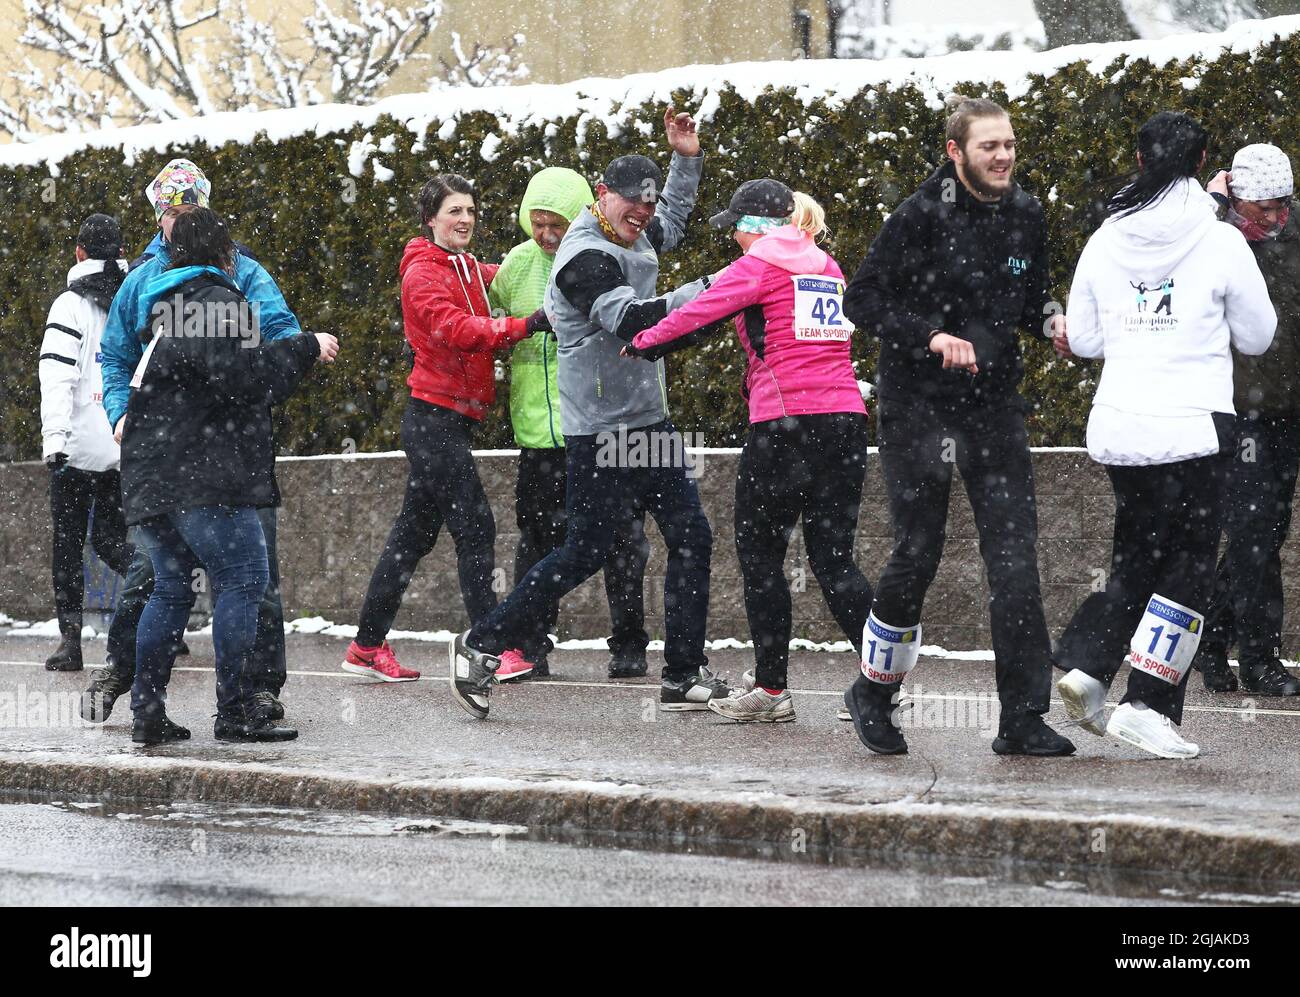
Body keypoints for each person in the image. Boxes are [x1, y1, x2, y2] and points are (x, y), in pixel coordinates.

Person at [450, 107, 729, 720]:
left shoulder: (634, 226)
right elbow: (634, 327)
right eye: (631, 206)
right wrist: (715, 291)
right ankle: (483, 643)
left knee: (692, 536)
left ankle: (682, 674)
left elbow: (672, 220)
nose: (643, 218)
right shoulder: (582, 260)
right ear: (600, 196)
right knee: (584, 550)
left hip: (647, 422)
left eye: (647, 208)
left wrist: (686, 157)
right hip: (599, 432)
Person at [841, 95, 1074, 757]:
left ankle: (1023, 717)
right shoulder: (919, 214)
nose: (1002, 157)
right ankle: (873, 690)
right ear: (955, 152)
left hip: (996, 407)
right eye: (988, 147)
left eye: (1008, 145)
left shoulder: (1027, 213)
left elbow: (1033, 295)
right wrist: (931, 335)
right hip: (919, 405)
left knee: (1015, 559)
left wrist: (1053, 321)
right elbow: (863, 297)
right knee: (918, 551)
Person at [1054, 112, 1276, 759]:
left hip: (1123, 429)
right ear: (1208, 159)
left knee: (1137, 559)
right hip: (1194, 429)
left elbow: (1088, 338)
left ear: (1138, 154)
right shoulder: (1221, 240)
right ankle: (1148, 702)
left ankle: (1090, 667)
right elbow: (1259, 334)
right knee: (1188, 570)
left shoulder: (1105, 236)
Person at [627, 180, 873, 723]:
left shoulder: (760, 263)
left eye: (735, 226)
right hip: (846, 422)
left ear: (755, 225)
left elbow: (699, 313)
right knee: (834, 559)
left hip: (785, 427)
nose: (733, 238)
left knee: (761, 557)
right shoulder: (824, 265)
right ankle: (884, 682)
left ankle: (770, 689)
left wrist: (642, 343)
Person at [85, 159, 303, 725]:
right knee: (189, 577)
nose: (178, 220)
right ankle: (131, 674)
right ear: (159, 217)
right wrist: (119, 411)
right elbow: (116, 356)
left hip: (190, 455)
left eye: (189, 211)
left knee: (234, 580)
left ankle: (253, 686)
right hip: (202, 457)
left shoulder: (244, 275)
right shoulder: (147, 281)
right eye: (171, 212)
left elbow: (277, 331)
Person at [121, 207, 335, 744]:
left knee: (170, 591)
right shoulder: (220, 302)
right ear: (224, 254)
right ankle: (235, 710)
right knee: (243, 579)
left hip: (151, 475)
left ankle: (146, 713)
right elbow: (245, 381)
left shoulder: (166, 313)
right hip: (204, 475)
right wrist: (305, 347)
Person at [341, 174, 546, 682]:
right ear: (430, 219)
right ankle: (486, 652)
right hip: (433, 421)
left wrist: (549, 249)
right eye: (454, 211)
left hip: (452, 420)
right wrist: (524, 326)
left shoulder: (471, 268)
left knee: (410, 539)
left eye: (471, 211)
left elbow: (513, 275)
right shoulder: (422, 274)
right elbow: (454, 328)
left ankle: (366, 648)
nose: (466, 220)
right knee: (476, 528)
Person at [489, 167, 651, 679]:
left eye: (554, 222)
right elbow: (490, 320)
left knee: (623, 537)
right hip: (539, 431)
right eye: (535, 223)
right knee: (537, 537)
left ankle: (628, 645)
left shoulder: (601, 257)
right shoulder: (516, 265)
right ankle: (528, 645)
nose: (545, 234)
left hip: (600, 425)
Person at [1190, 143, 1300, 697]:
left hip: (1289, 408)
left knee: (1268, 531)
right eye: (1266, 210)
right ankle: (1260, 659)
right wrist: (1209, 208)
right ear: (1235, 201)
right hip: (1236, 412)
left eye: (1284, 205)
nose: (1278, 218)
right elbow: (1167, 245)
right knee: (1254, 532)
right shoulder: (1211, 234)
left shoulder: (1293, 229)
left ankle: (1210, 640)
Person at [39, 214, 134, 672]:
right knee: (115, 541)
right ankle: (156, 599)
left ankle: (70, 643)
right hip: (121, 442)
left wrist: (54, 438)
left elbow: (57, 375)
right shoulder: (132, 300)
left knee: (69, 544)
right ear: (120, 253)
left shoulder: (68, 306)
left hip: (76, 448)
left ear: (79, 253)